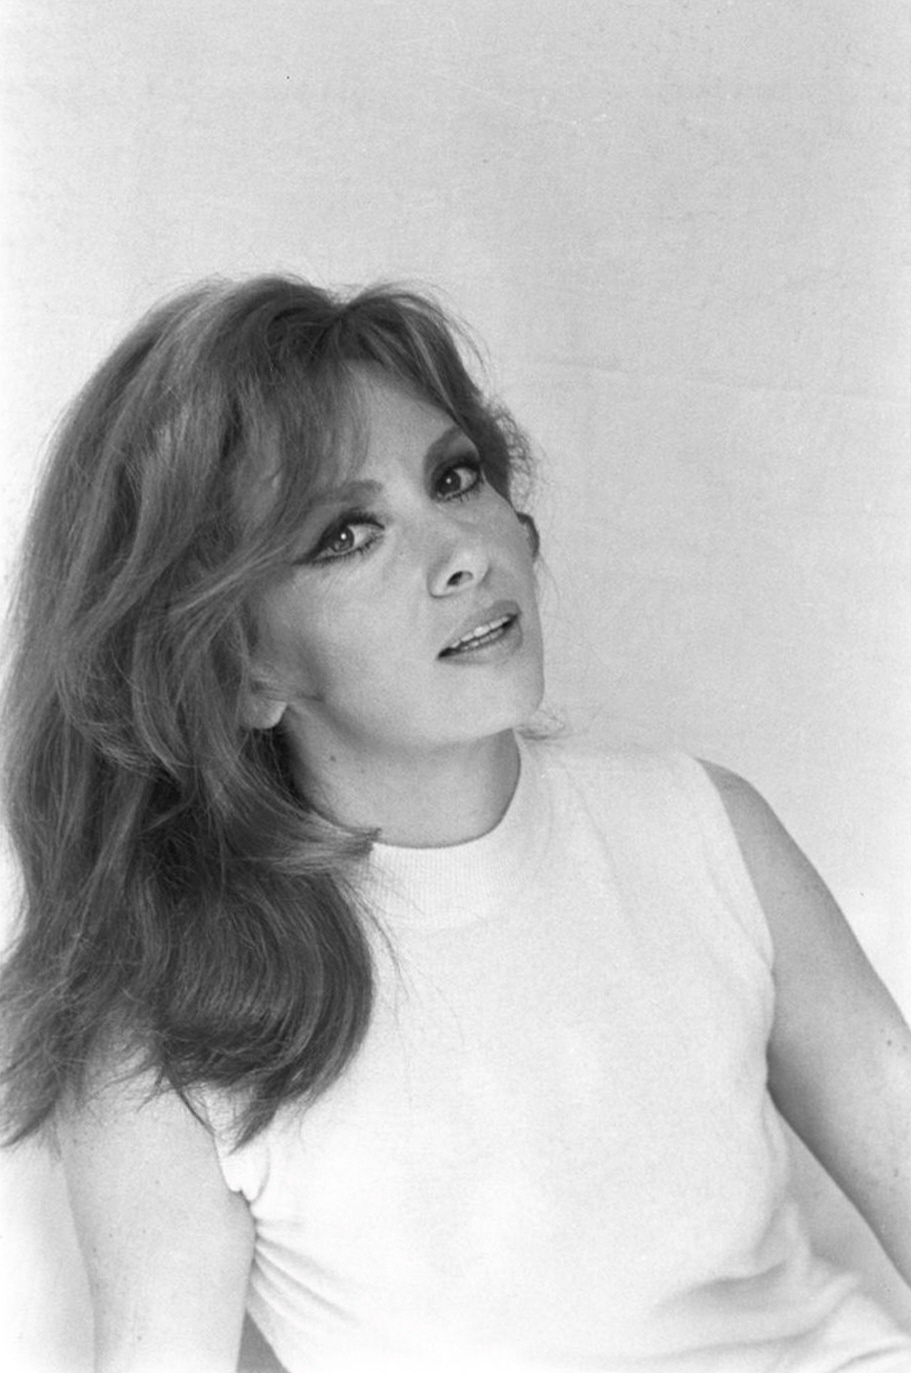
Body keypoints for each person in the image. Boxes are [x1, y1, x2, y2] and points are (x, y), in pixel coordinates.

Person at [1, 275, 909, 1373]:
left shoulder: (704, 827)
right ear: (241, 666)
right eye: (346, 533)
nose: (463, 550)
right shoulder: (168, 1027)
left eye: (454, 476)